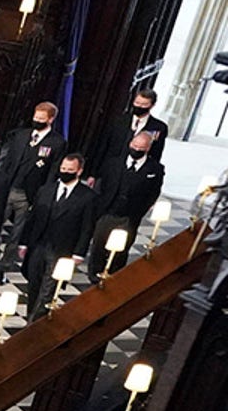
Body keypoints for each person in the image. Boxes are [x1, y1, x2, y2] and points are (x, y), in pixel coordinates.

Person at [18, 153, 97, 317]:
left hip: (62, 249)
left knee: (49, 289)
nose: (65, 172)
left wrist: (79, 253)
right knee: (34, 284)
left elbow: (86, 228)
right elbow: (32, 219)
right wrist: (24, 243)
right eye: (63, 168)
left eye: (70, 169)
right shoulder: (46, 189)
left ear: (79, 171)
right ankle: (31, 319)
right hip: (38, 245)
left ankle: (33, 325)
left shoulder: (88, 197)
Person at [0, 101, 67, 257]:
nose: (37, 121)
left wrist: (42, 196)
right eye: (36, 117)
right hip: (9, 187)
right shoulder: (21, 135)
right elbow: (8, 161)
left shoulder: (57, 143)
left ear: (50, 120)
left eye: (41, 118)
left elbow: (52, 172)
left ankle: (5, 263)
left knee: (17, 233)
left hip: (28, 194)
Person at [92, 131, 167, 259]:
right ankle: (94, 274)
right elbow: (102, 184)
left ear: (148, 148)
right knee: (98, 245)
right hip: (107, 211)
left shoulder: (155, 169)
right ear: (130, 143)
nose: (136, 149)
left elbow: (154, 192)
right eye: (135, 146)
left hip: (130, 216)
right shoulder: (113, 163)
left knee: (121, 249)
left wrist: (142, 209)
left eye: (141, 148)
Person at [89, 87, 169, 171]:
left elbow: (156, 154)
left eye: (144, 104)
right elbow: (103, 146)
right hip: (109, 169)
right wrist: (93, 172)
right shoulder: (118, 120)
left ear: (152, 105)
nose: (139, 106)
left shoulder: (159, 127)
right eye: (137, 102)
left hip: (135, 172)